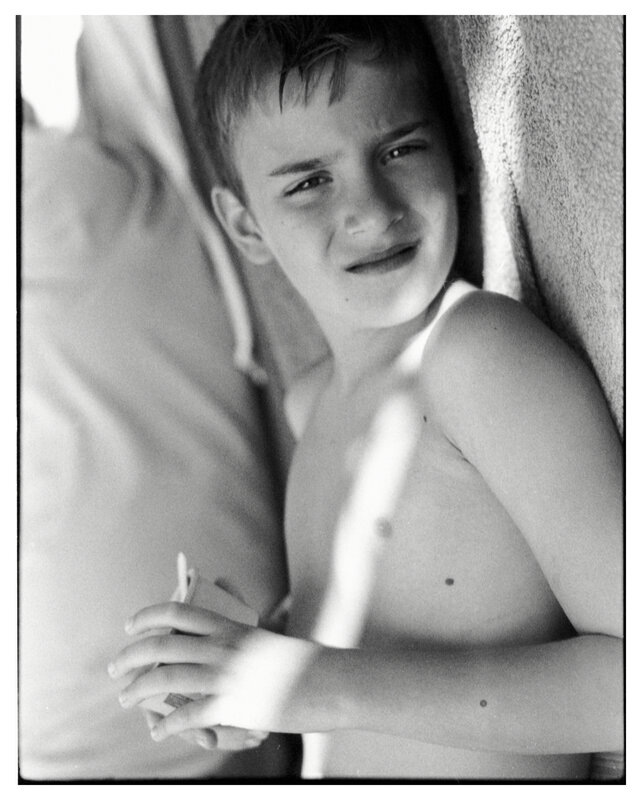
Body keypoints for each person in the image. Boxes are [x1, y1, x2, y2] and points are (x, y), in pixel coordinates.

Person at [108, 17, 623, 779]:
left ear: (455, 157)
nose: (371, 212)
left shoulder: (475, 357)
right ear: (246, 226)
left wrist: (309, 686)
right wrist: (242, 677)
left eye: (399, 149)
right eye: (308, 182)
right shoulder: (311, 403)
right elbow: (372, 628)